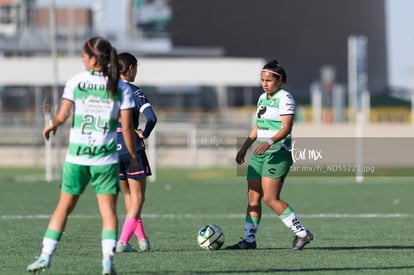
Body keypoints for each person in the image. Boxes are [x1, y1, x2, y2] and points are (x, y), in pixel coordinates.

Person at [26, 37, 138, 275]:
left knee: (63, 208)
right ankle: (107, 262)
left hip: (77, 157)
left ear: (91, 58)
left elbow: (62, 115)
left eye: (83, 56)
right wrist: (132, 155)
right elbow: (127, 129)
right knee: (108, 212)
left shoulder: (76, 81)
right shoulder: (122, 87)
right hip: (106, 160)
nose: (81, 59)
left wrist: (52, 125)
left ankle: (45, 256)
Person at [226, 59, 313, 251]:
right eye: (262, 79)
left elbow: (286, 127)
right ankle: (249, 241)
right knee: (253, 198)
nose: (265, 83)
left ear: (279, 81)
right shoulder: (262, 98)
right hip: (259, 152)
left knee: (270, 198)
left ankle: (302, 234)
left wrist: (269, 142)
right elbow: (259, 125)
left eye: (269, 80)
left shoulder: (285, 98)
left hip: (278, 153)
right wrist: (245, 147)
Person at [115, 52, 157, 253]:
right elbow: (151, 118)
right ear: (130, 68)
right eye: (136, 68)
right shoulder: (134, 91)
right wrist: (144, 134)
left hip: (111, 150)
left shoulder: (107, 91)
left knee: (128, 197)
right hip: (131, 149)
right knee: (138, 198)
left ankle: (142, 240)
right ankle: (122, 242)